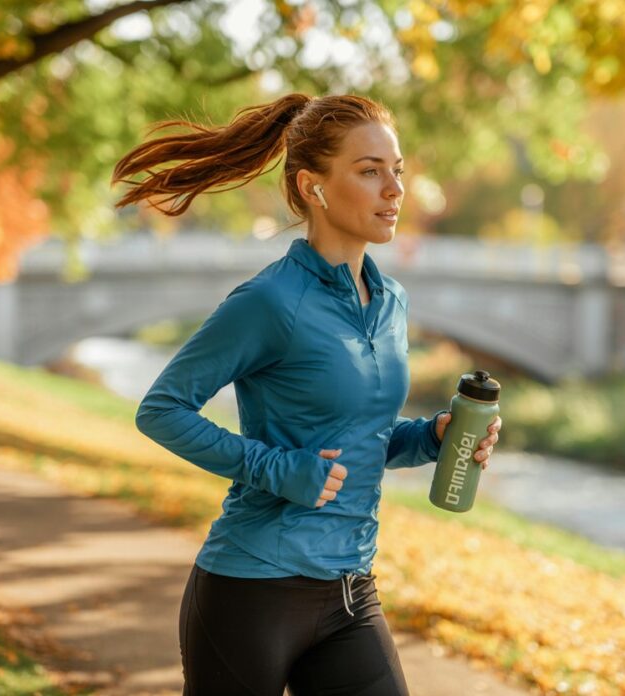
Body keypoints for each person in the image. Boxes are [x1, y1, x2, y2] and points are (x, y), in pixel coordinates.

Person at [112, 93, 502, 696]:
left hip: (351, 591)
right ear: (312, 186)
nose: (394, 189)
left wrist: (430, 437)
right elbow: (161, 410)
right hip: (252, 590)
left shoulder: (392, 304)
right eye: (369, 171)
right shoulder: (271, 301)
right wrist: (276, 468)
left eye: (397, 170)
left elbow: (358, 440)